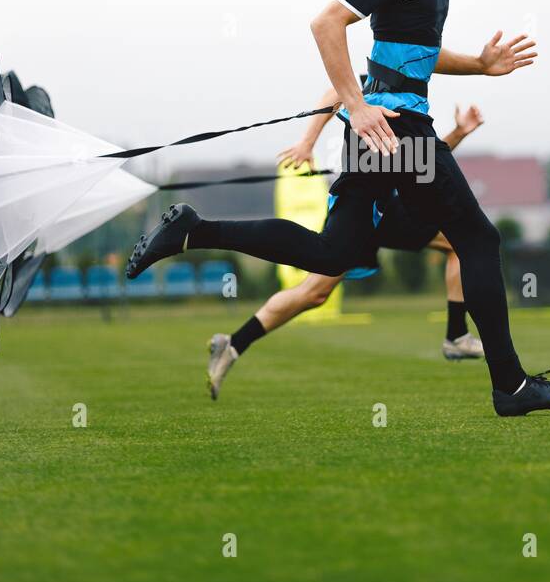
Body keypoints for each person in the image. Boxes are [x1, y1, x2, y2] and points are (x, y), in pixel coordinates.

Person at [128, 0, 550, 417]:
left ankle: (194, 231)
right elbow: (327, 21)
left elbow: (412, 53)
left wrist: (480, 65)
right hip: (399, 131)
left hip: (383, 133)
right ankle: (511, 386)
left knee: (332, 253)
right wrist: (356, 106)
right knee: (478, 240)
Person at [205, 94, 487, 401]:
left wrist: (458, 133)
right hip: (361, 208)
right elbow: (335, 93)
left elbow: (424, 160)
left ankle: (456, 335)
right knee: (314, 293)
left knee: (457, 243)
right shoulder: (378, 75)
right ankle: (232, 344)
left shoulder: (408, 92)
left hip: (387, 205)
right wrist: (307, 142)